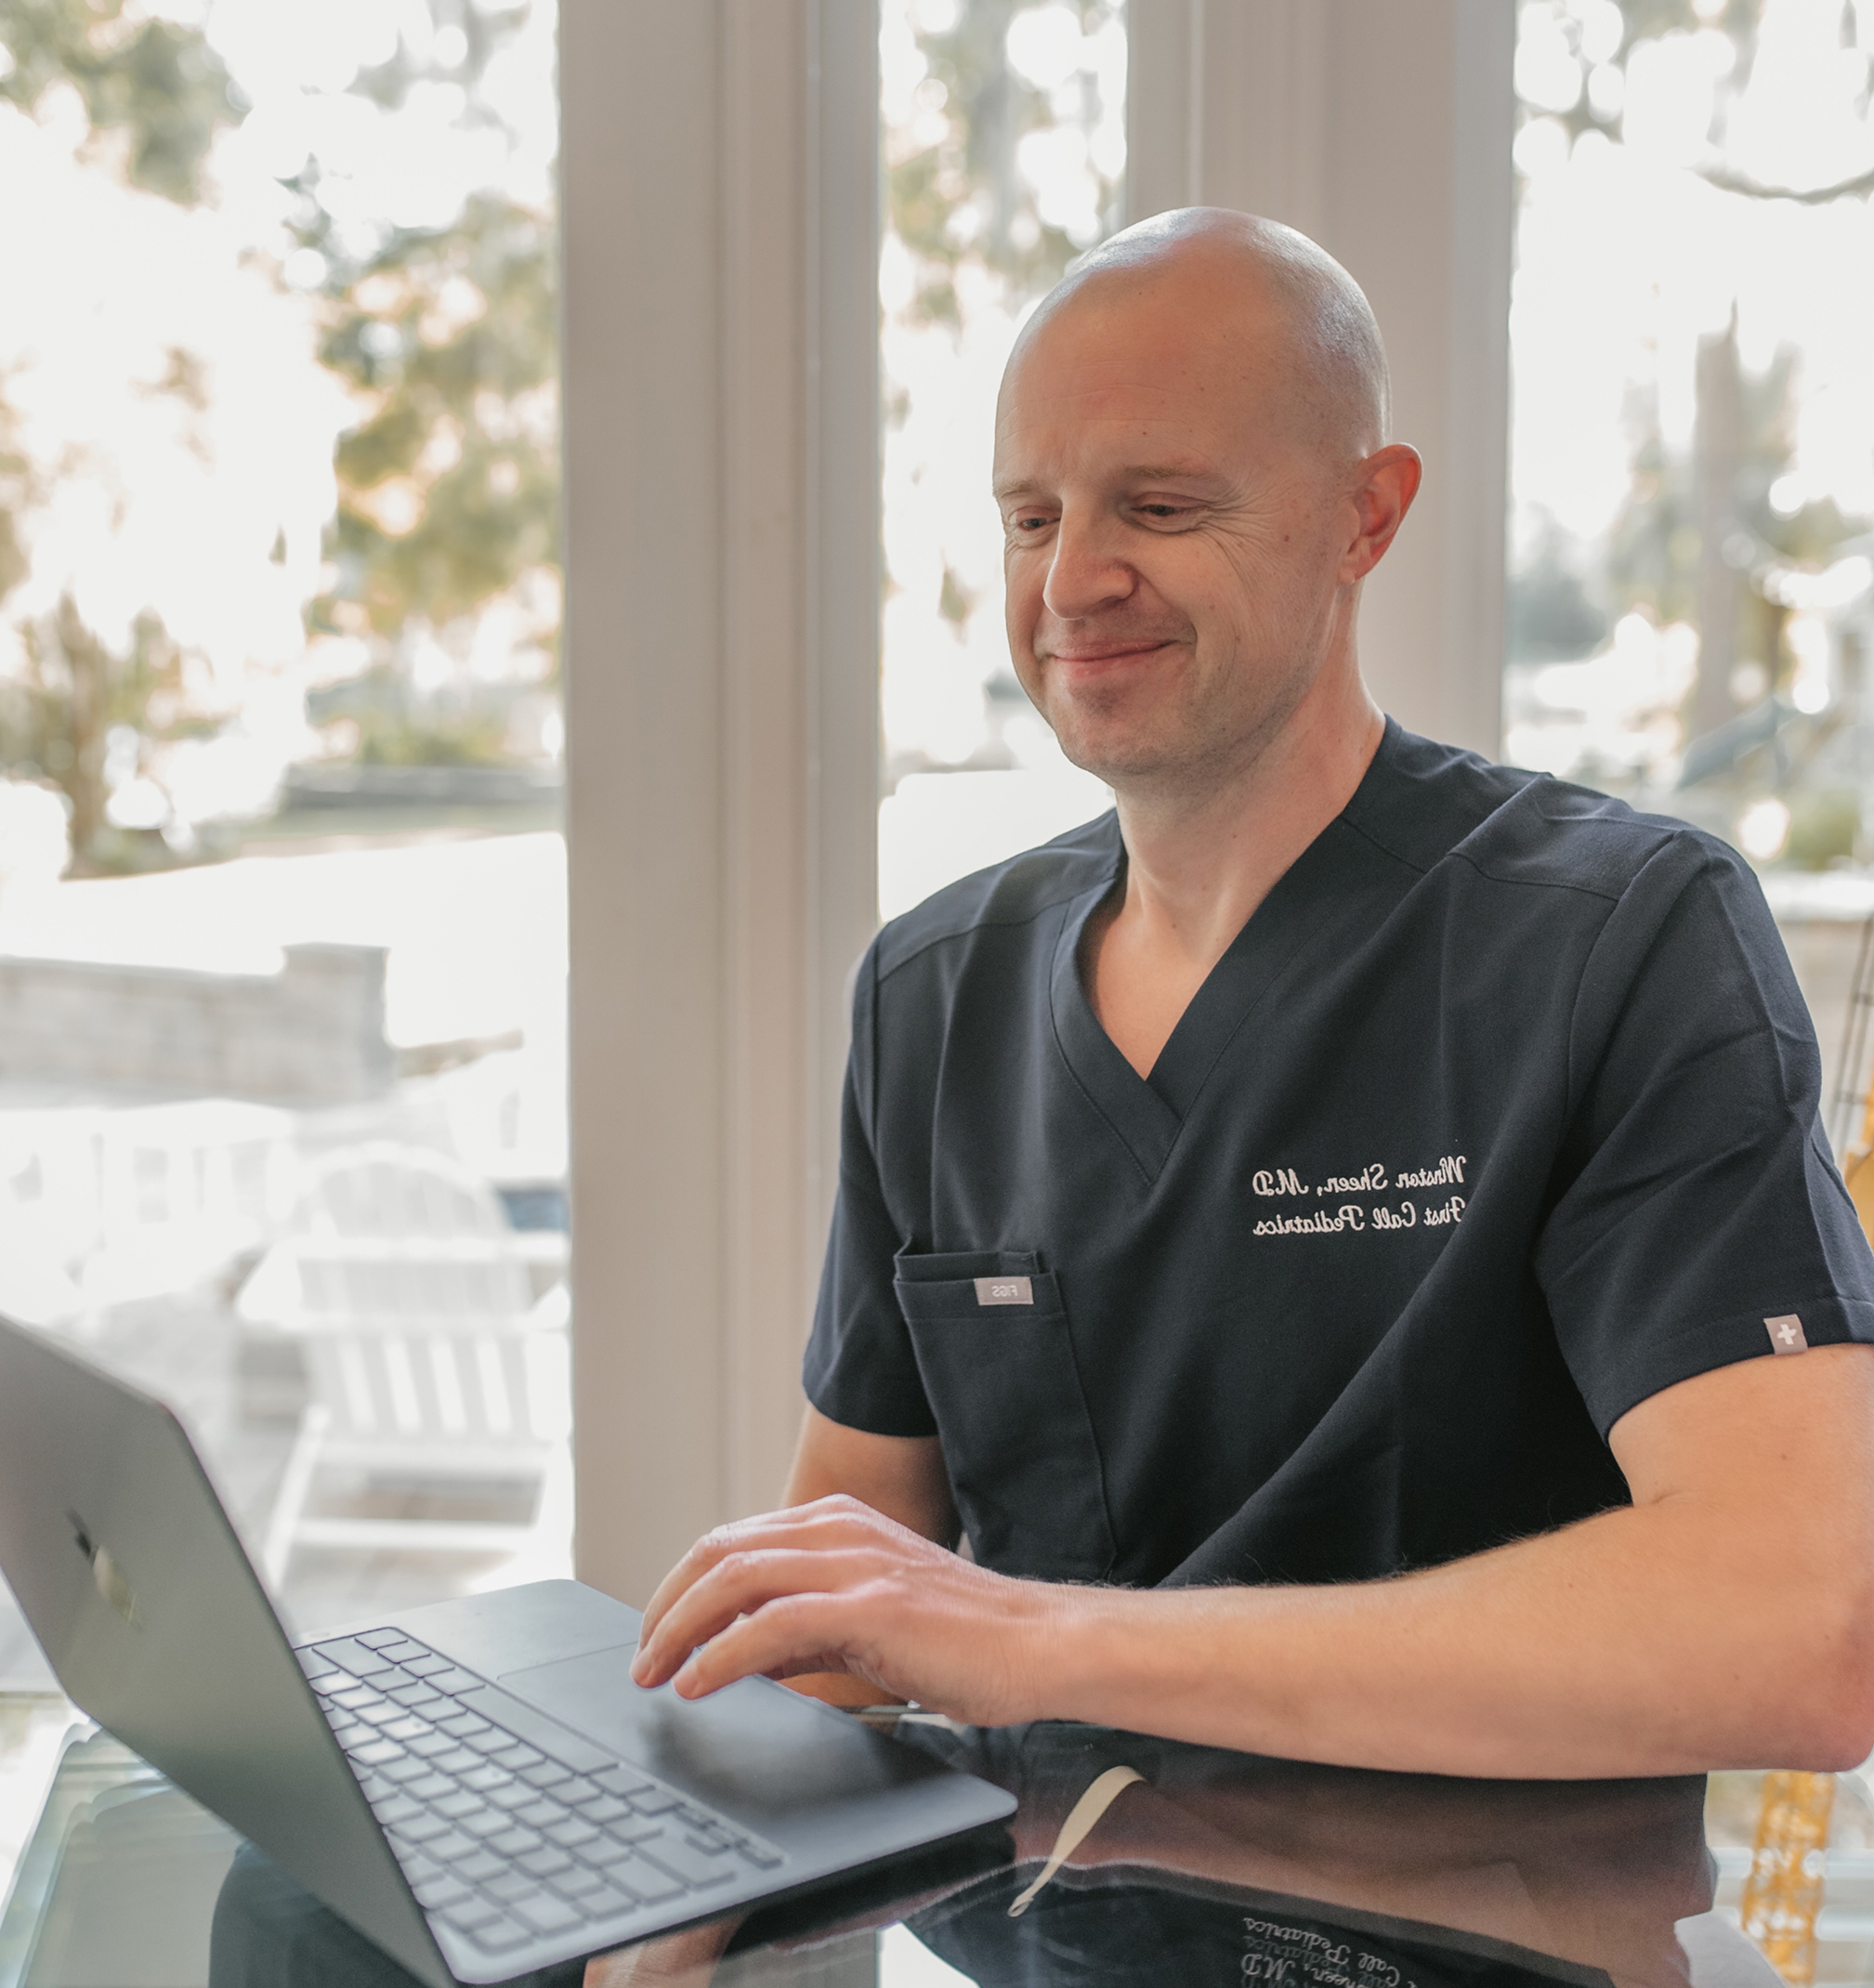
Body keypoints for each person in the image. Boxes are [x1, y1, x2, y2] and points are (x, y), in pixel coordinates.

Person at [628, 208, 1874, 1779]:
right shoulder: (935, 994)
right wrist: (662, 1883)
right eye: (1028, 518)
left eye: (1157, 504)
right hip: (1010, 1928)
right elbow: (846, 1599)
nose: (1074, 579)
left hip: (1466, 1932)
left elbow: (1793, 1630)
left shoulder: (1615, 940)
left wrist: (1036, 1643)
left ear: (1365, 515)